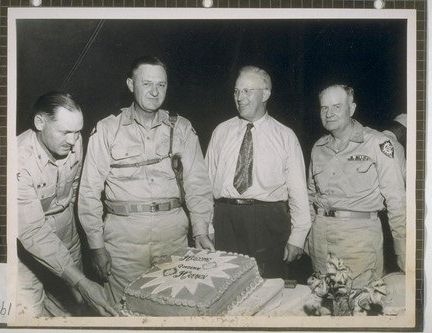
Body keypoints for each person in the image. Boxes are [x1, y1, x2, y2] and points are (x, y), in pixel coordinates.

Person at [78, 56, 215, 302]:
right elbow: (88, 192)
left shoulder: (181, 128)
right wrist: (96, 245)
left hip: (173, 236)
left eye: (161, 85)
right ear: (131, 84)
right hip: (123, 241)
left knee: (175, 306)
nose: (154, 92)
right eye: (147, 84)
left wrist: (202, 230)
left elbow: (198, 184)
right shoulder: (108, 129)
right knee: (123, 309)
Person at [17, 91, 117, 317]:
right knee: (29, 314)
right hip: (26, 248)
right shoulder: (18, 161)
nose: (73, 141)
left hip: (67, 235)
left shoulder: (73, 142)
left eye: (77, 132)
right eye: (65, 132)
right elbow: (32, 231)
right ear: (40, 122)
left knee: (73, 310)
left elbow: (74, 187)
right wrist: (81, 281)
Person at [205, 66, 311, 279]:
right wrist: (207, 227)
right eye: (236, 91)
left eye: (247, 91)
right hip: (225, 218)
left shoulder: (285, 136)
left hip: (268, 222)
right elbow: (205, 185)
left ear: (265, 94)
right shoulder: (221, 132)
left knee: (267, 288)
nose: (239, 98)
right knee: (224, 287)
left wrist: (297, 237)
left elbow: (298, 192)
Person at [307, 84, 406, 288]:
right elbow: (310, 196)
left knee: (360, 305)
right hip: (320, 238)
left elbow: (397, 202)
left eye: (336, 106)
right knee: (323, 305)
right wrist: (309, 237)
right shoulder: (318, 148)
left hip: (359, 240)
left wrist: (403, 249)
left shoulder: (377, 144)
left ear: (351, 109)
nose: (329, 113)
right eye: (324, 108)